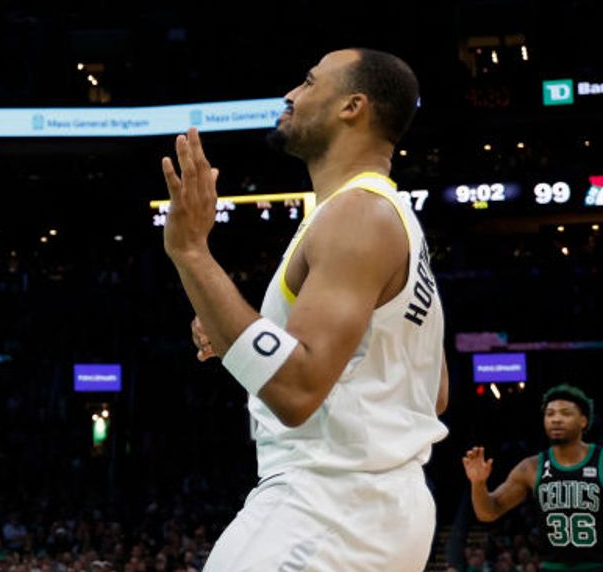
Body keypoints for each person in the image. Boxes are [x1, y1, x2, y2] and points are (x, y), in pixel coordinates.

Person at [160, 49, 451, 570]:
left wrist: (192, 255)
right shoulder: (388, 216)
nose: (291, 95)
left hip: (331, 507)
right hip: (371, 509)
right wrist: (236, 331)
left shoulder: (357, 215)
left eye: (310, 82)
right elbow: (434, 392)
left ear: (352, 107)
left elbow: (295, 391)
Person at [463, 384, 603, 572]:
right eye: (550, 414)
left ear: (583, 421)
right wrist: (478, 484)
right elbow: (488, 512)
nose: (556, 419)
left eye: (566, 413)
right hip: (553, 567)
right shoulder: (530, 468)